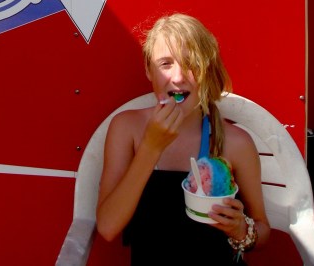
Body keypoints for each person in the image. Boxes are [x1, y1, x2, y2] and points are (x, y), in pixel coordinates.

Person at [96, 13, 270, 264]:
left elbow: (263, 230)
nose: (177, 77)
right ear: (148, 70)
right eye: (165, 64)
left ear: (206, 71)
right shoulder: (126, 128)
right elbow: (107, 227)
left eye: (190, 63)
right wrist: (151, 148)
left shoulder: (236, 143)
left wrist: (241, 230)